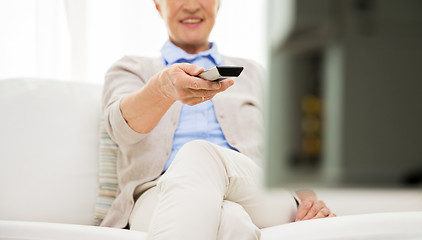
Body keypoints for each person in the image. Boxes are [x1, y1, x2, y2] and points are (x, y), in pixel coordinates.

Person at [100, 0, 335, 239]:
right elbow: (121, 130)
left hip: (257, 190)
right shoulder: (130, 68)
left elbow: (292, 150)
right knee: (231, 220)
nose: (192, 5)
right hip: (156, 194)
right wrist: (162, 89)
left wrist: (310, 203)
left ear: (219, 4)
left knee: (199, 154)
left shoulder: (254, 73)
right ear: (158, 6)